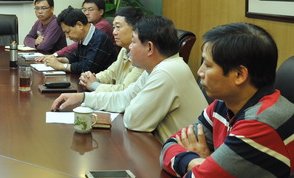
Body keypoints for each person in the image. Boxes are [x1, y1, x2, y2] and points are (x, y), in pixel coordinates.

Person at [160, 23, 294, 178]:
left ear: (239, 74)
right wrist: (200, 163)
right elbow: (170, 144)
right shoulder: (223, 106)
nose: (199, 72)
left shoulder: (263, 125)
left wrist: (205, 167)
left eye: (207, 64)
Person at [51, 15, 207, 142]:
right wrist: (82, 97)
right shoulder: (156, 68)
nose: (130, 47)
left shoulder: (166, 72)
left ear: (150, 48)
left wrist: (130, 102)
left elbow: (133, 120)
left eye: (133, 42)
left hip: (184, 159)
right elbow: (124, 97)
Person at [79, 7, 144, 92]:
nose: (114, 32)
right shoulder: (124, 50)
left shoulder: (143, 55)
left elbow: (125, 91)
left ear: (135, 29)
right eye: (114, 27)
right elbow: (111, 72)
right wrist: (91, 78)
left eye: (118, 27)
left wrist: (94, 85)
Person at [39, 7, 116, 75]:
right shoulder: (84, 37)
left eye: (68, 32)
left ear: (79, 25)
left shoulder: (99, 38)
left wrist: (61, 66)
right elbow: (76, 57)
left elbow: (88, 68)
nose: (67, 36)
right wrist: (60, 60)